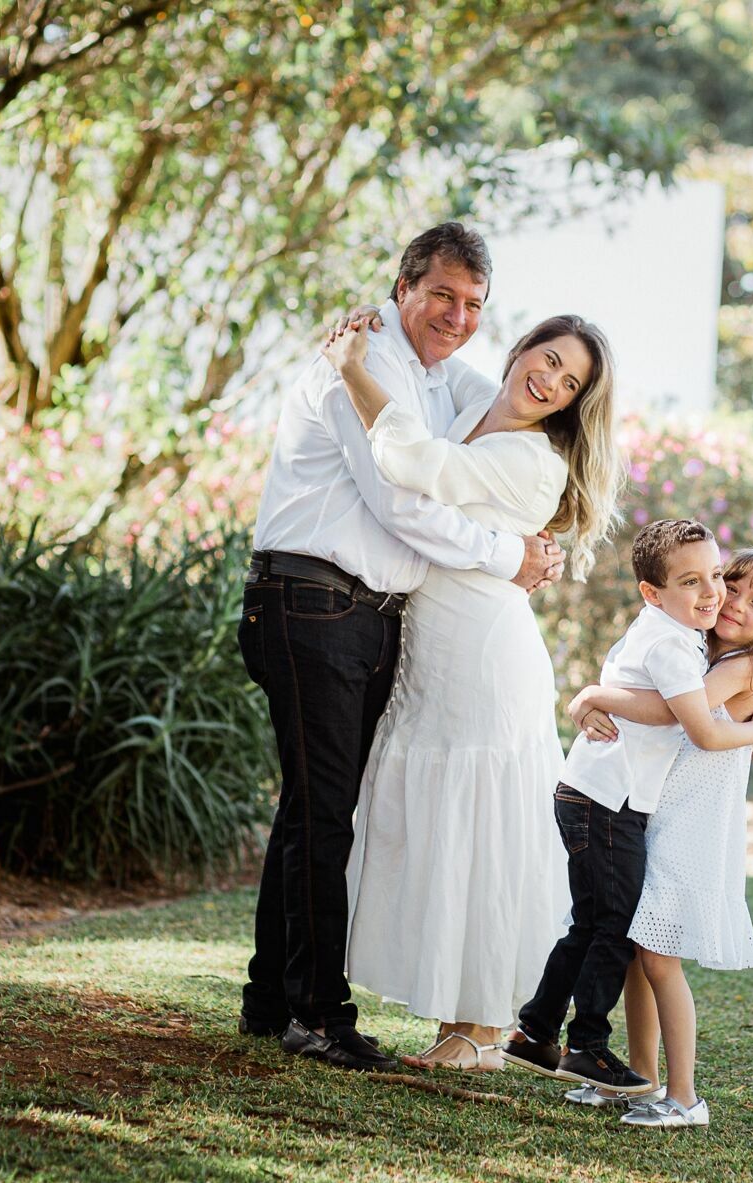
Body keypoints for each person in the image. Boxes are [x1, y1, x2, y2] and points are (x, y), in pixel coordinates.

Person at [237, 223, 565, 1072]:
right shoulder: (373, 361)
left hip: (365, 615)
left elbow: (489, 399)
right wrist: (513, 556)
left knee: (312, 807)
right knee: (322, 814)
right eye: (442, 296)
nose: (456, 317)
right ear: (403, 285)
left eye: (474, 305)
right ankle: (318, 1014)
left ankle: (271, 996)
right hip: (311, 599)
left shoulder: (431, 375)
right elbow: (401, 503)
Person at [323, 308, 622, 1070]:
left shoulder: (534, 459)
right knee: (439, 827)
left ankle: (482, 1028)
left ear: (574, 403)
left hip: (485, 654)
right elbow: (436, 364)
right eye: (547, 357)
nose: (549, 380)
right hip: (435, 649)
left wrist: (350, 366)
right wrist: (384, 328)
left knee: (482, 831)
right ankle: (466, 1022)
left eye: (569, 381)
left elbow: (414, 465)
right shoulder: (467, 404)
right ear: (520, 347)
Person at [503, 520, 753, 1095]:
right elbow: (688, 720)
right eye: (693, 582)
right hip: (609, 801)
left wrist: (594, 696)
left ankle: (535, 1032)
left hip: (598, 795)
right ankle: (586, 1047)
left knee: (595, 923)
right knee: (614, 927)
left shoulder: (672, 633)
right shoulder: (675, 643)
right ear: (654, 592)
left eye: (713, 578)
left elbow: (653, 705)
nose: (713, 594)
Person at [564, 547, 753, 1128]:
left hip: (692, 828)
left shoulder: (746, 667)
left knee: (657, 956)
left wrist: (592, 695)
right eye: (734, 588)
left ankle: (684, 1097)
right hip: (656, 816)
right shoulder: (698, 649)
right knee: (635, 949)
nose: (738, 606)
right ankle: (638, 1078)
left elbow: (677, 716)